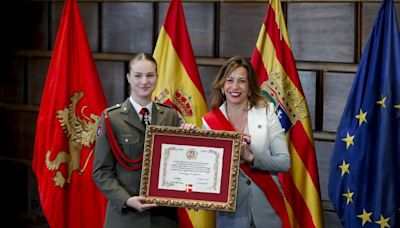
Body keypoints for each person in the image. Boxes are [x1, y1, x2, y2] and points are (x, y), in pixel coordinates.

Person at [92, 53, 183, 228]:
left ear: (157, 77)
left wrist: (190, 137)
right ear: (128, 78)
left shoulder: (170, 115)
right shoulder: (111, 118)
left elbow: (177, 163)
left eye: (150, 75)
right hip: (126, 216)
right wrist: (126, 200)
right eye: (138, 75)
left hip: (163, 217)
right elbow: (100, 172)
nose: (144, 81)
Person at [202, 56, 291, 228]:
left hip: (267, 207)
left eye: (242, 81)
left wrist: (250, 158)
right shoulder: (209, 122)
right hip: (231, 213)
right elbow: (207, 170)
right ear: (222, 86)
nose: (235, 87)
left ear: (250, 88)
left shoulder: (266, 113)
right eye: (230, 80)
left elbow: (284, 162)